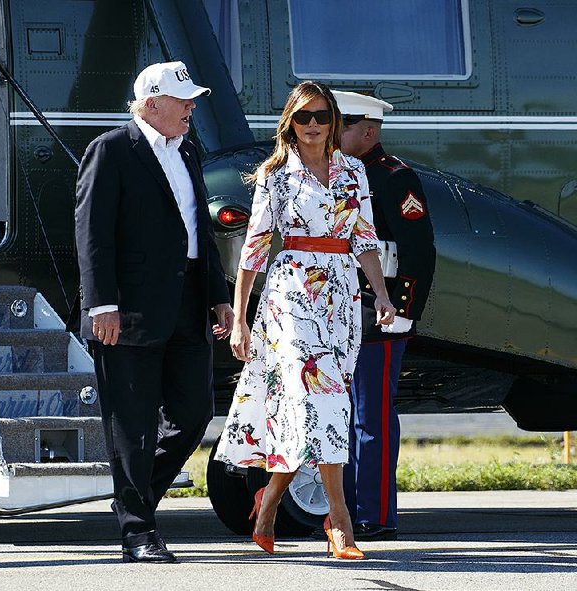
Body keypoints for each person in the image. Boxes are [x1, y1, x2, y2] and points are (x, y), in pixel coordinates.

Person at [214, 81, 396, 559]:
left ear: (333, 121)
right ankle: (340, 522)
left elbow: (365, 239)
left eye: (321, 116)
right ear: (289, 123)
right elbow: (253, 249)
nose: (313, 125)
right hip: (290, 294)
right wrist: (241, 320)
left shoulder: (354, 170)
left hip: (340, 295)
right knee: (319, 404)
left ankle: (270, 498)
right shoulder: (275, 174)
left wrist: (380, 295)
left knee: (319, 410)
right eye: (303, 117)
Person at [74, 61, 234, 563]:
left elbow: (197, 231)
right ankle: (138, 531)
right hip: (128, 310)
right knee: (133, 423)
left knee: (194, 413)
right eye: (183, 100)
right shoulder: (112, 150)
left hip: (188, 303)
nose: (191, 108)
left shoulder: (186, 149)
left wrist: (219, 295)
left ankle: (135, 500)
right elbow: (92, 233)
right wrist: (102, 303)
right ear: (150, 104)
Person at [334, 91, 436, 541]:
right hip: (336, 309)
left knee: (369, 418)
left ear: (369, 131)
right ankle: (347, 513)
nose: (334, 133)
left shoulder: (394, 177)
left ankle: (374, 515)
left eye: (343, 125)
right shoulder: (334, 174)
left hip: (379, 314)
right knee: (341, 414)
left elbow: (417, 252)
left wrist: (403, 312)